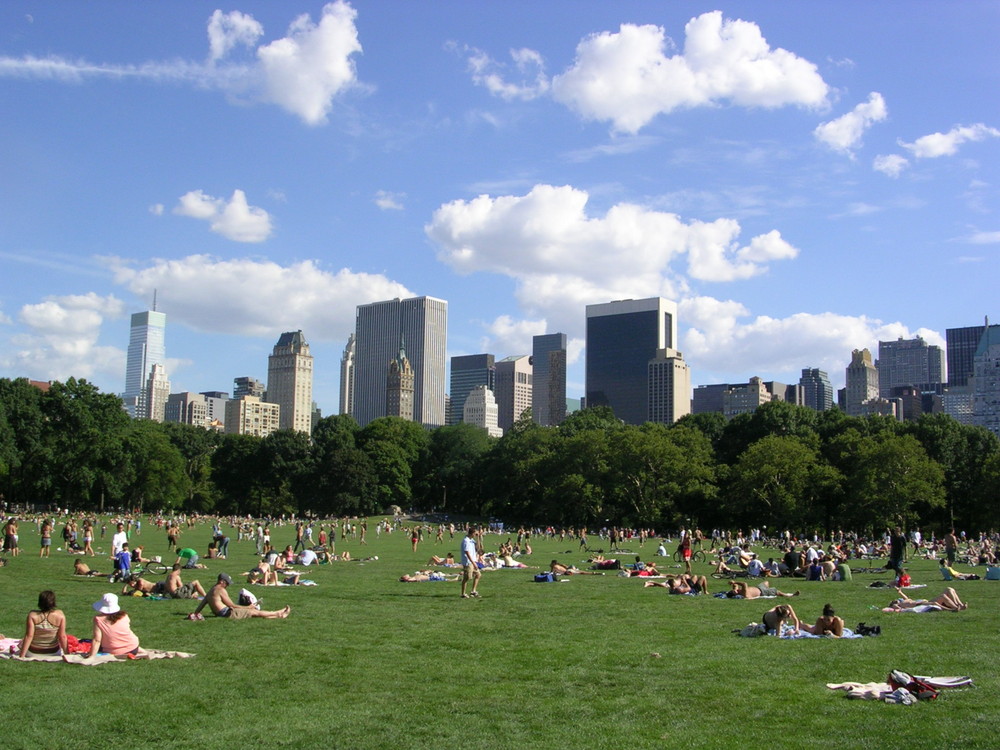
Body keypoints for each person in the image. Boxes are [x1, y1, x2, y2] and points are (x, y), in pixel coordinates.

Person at [191, 573, 290, 619]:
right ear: (221, 582)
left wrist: (195, 613)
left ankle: (279, 615)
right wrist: (248, 607)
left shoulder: (212, 590)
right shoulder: (220, 590)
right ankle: (278, 612)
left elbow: (203, 603)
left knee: (255, 615)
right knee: (254, 612)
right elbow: (232, 605)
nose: (228, 585)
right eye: (227, 583)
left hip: (221, 614)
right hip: (227, 613)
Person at [85, 593, 142, 658]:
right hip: (133, 647)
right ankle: (140, 650)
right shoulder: (124, 616)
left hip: (113, 651)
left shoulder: (98, 619)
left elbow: (97, 640)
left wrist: (91, 656)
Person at [20, 590, 68, 656]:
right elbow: (62, 636)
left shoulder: (32, 615)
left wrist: (21, 655)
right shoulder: (60, 615)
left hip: (33, 652)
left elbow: (29, 636)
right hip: (54, 652)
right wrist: (67, 654)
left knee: (20, 643)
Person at [887, 586, 967, 612]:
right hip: (920, 604)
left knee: (949, 589)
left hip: (926, 601)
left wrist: (899, 592)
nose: (896, 600)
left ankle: (959, 604)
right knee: (943, 596)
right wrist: (894, 605)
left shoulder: (904, 600)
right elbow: (897, 609)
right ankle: (954, 608)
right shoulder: (898, 605)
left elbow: (905, 597)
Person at [460, 527, 482, 599]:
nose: (476, 534)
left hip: (473, 561)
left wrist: (478, 537)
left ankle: (473, 591)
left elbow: (478, 548)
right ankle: (463, 594)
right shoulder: (466, 541)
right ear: (472, 533)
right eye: (475, 533)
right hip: (468, 562)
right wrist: (473, 562)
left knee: (478, 575)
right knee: (467, 578)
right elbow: (467, 552)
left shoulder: (472, 540)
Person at [727, 580, 799, 599]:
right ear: (736, 594)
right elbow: (744, 584)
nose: (737, 589)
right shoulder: (744, 594)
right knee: (777, 592)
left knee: (766, 582)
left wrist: (733, 584)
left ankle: (768, 588)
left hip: (759, 587)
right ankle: (790, 595)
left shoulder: (739, 591)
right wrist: (735, 582)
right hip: (763, 592)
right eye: (735, 591)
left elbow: (735, 586)